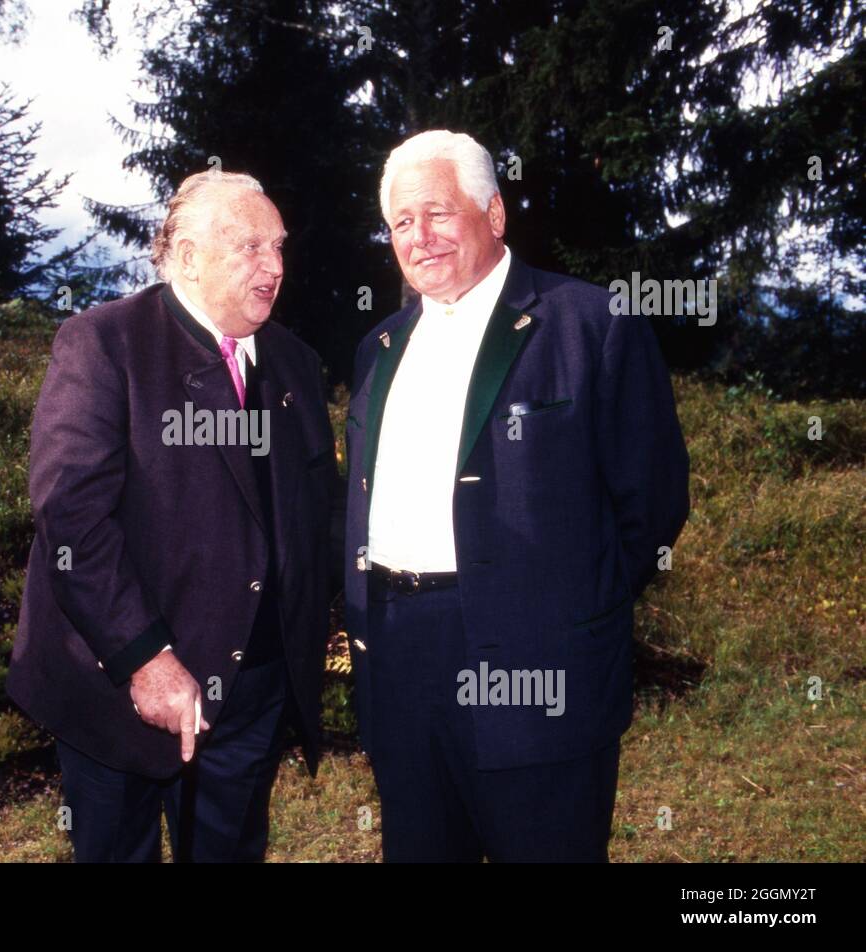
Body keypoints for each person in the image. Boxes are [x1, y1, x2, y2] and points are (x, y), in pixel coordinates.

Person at [343, 130, 690, 862]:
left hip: (541, 669)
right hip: (402, 663)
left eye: (437, 212)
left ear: (493, 214)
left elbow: (652, 501)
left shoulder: (590, 324)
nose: (420, 236)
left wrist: (568, 610)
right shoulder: (377, 348)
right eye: (401, 222)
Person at [10, 170, 338, 862]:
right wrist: (144, 657)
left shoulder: (295, 364)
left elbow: (314, 519)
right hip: (115, 688)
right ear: (187, 256)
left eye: (278, 247)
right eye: (249, 247)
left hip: (250, 691)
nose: (274, 266)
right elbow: (73, 521)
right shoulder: (103, 344)